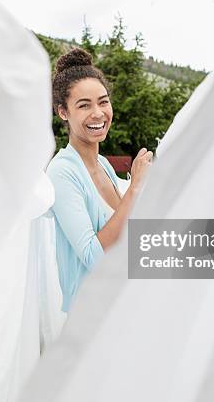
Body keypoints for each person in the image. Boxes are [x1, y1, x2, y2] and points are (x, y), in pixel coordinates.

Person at [46, 48, 153, 312]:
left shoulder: (102, 164)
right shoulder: (62, 172)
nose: (98, 113)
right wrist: (136, 187)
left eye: (103, 102)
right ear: (63, 112)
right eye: (84, 105)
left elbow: (124, 233)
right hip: (91, 319)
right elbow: (95, 257)